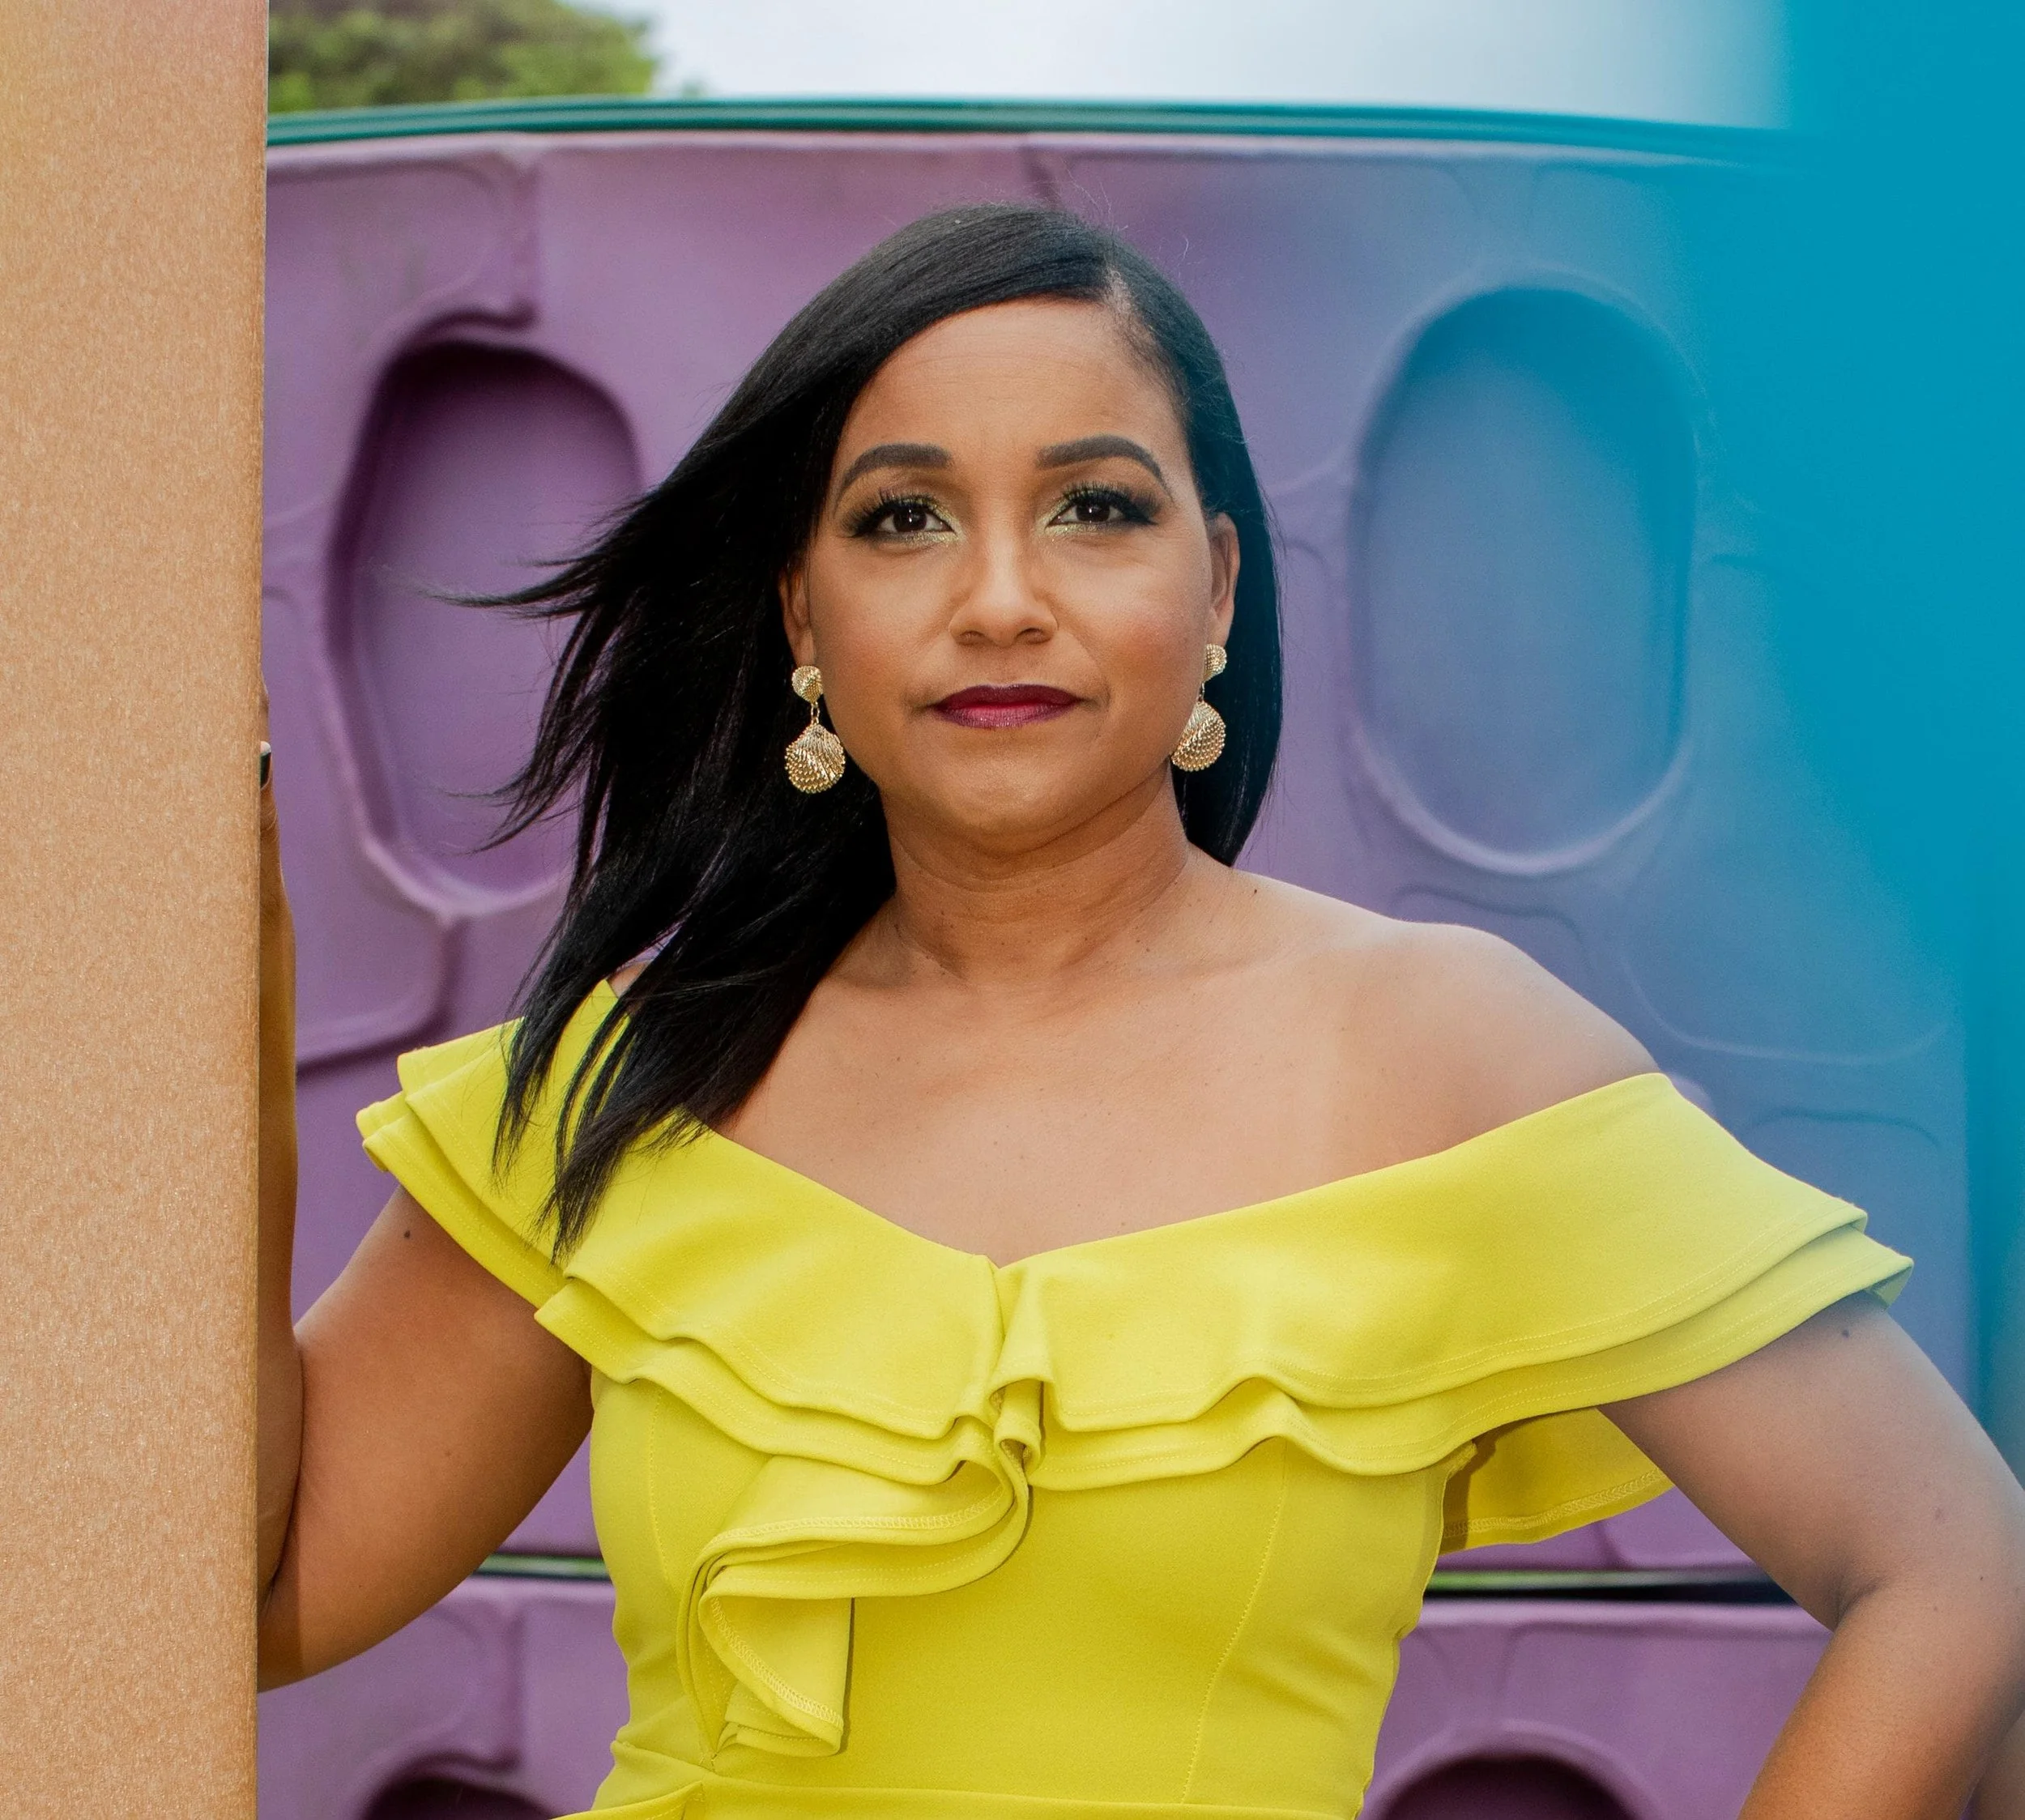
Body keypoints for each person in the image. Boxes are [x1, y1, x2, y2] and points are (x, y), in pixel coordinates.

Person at [255, 204, 2025, 1819]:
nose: (999, 601)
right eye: (903, 518)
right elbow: (253, 1592)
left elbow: (1958, 1566)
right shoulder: (634, 1075)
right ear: (803, 611)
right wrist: (218, 990)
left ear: (1220, 587)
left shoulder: (1443, 1052)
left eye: (1094, 508)